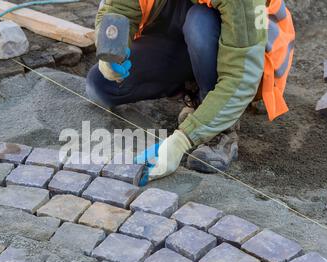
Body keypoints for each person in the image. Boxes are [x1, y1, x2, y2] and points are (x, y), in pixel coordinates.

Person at [86, 0, 295, 183]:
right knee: (102, 85)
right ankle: (192, 90)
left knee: (200, 23)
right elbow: (118, 9)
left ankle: (221, 128)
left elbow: (240, 79)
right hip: (182, 38)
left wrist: (182, 141)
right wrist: (111, 49)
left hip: (243, 56)